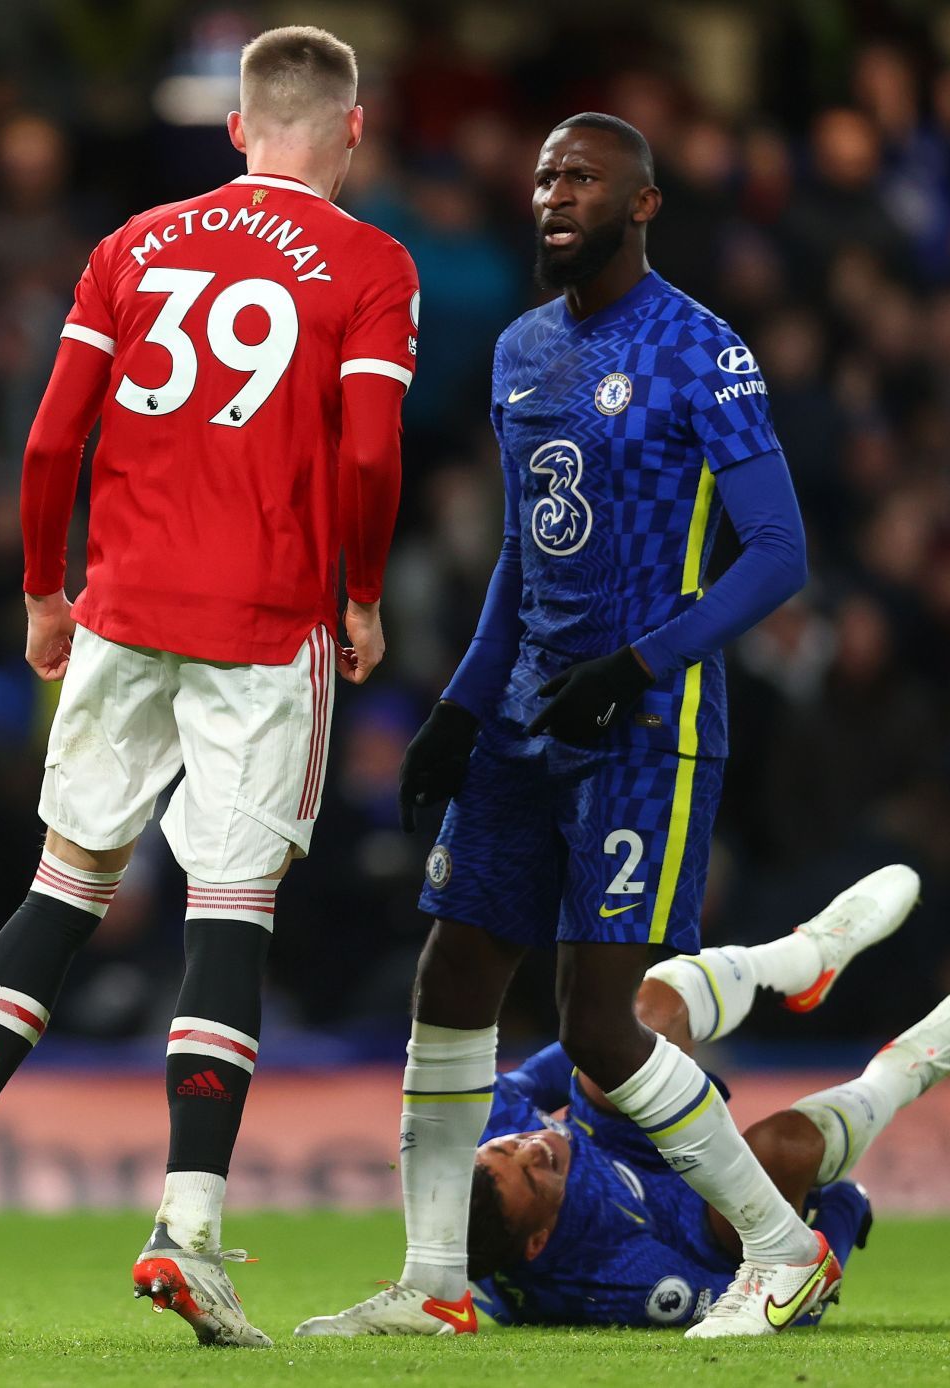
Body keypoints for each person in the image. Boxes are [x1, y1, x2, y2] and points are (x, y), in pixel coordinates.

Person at [0, 26, 419, 1349]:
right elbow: (370, 455)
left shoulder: (130, 246)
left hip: (120, 606)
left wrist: (43, 589)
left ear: (237, 129)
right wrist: (360, 592)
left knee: (64, 889)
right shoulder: (368, 262)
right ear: (349, 132)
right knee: (228, 915)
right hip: (260, 615)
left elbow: (56, 430)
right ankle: (186, 1229)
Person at [302, 113, 831, 1340]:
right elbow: (520, 560)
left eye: (583, 178)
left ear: (642, 204)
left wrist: (643, 659)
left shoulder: (703, 349)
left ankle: (779, 1245)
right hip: (526, 718)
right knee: (455, 971)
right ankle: (436, 1278)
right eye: (544, 176)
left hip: (646, 723)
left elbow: (778, 555)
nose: (555, 194)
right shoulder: (522, 348)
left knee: (597, 1020)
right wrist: (460, 705)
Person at [466, 878, 950, 1331]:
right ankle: (905, 1070)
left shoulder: (487, 1124)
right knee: (783, 1146)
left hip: (613, 1136)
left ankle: (806, 956)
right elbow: (789, 1301)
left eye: (508, 1149)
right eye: (534, 1176)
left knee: (643, 1016)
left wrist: (612, 1041)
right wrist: (843, 1214)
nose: (533, 1147)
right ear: (538, 1242)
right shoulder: (607, 1281)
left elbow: (556, 1064)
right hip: (693, 1225)